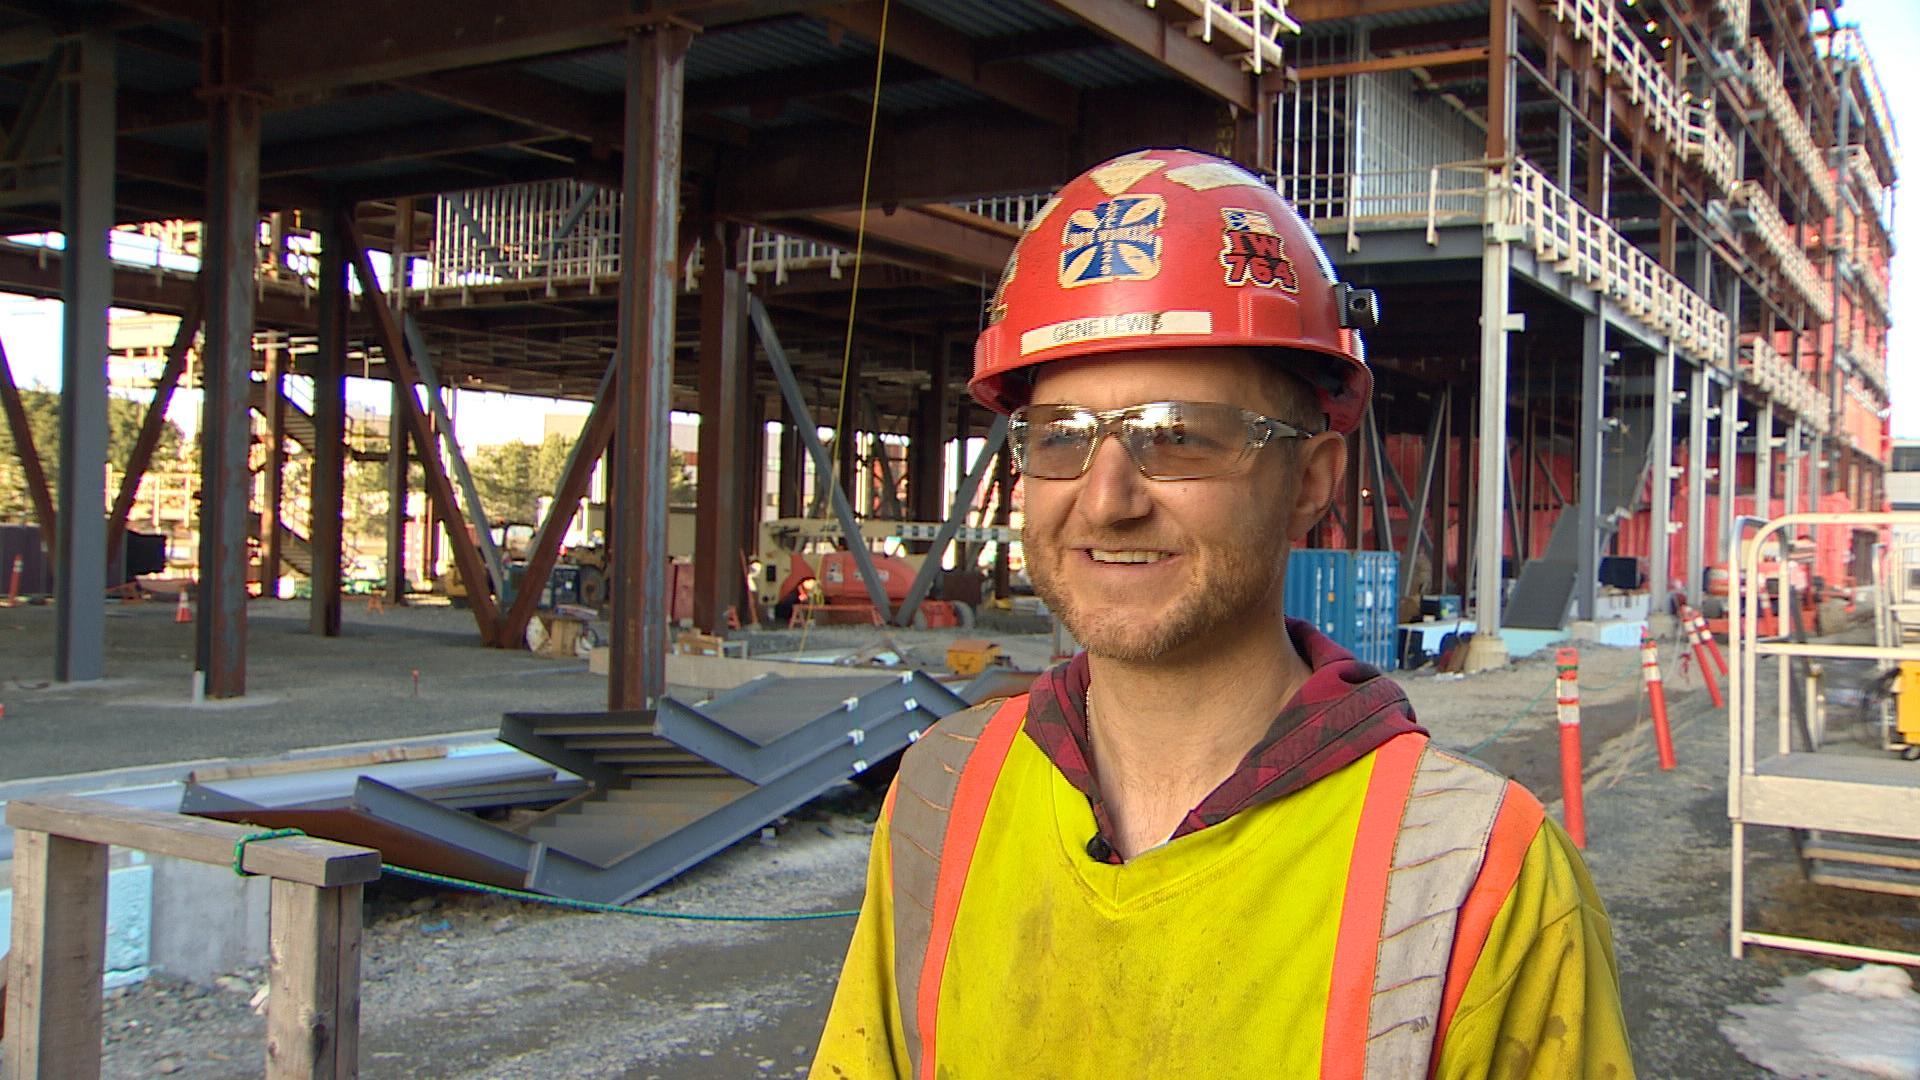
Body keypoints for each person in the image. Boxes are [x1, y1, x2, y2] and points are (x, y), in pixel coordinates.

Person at [809, 148, 1631, 1079]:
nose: (1107, 498)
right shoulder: (944, 793)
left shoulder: (1479, 878)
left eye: (1180, 436)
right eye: (1061, 437)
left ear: (1309, 482)